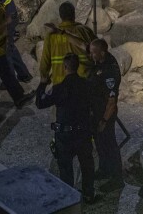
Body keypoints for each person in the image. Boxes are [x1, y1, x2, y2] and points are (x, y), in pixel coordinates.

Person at [35, 53, 98, 204]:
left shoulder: (59, 88)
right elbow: (95, 105)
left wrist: (42, 84)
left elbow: (40, 103)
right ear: (78, 66)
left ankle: (69, 199)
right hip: (83, 133)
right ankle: (89, 194)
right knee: (87, 165)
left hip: (64, 135)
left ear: (64, 67)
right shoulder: (87, 85)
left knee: (65, 169)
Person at [88, 38, 124, 192]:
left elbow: (111, 101)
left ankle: (117, 179)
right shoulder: (101, 61)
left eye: (93, 53)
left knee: (110, 145)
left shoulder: (109, 71)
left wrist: (104, 120)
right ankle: (104, 169)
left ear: (101, 53)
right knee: (100, 143)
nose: (91, 56)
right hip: (96, 112)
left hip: (105, 114)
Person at [39, 2, 95, 86]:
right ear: (74, 14)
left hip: (60, 83)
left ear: (60, 16)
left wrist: (44, 76)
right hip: (83, 81)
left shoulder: (52, 35)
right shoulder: (84, 30)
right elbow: (98, 50)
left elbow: (45, 61)